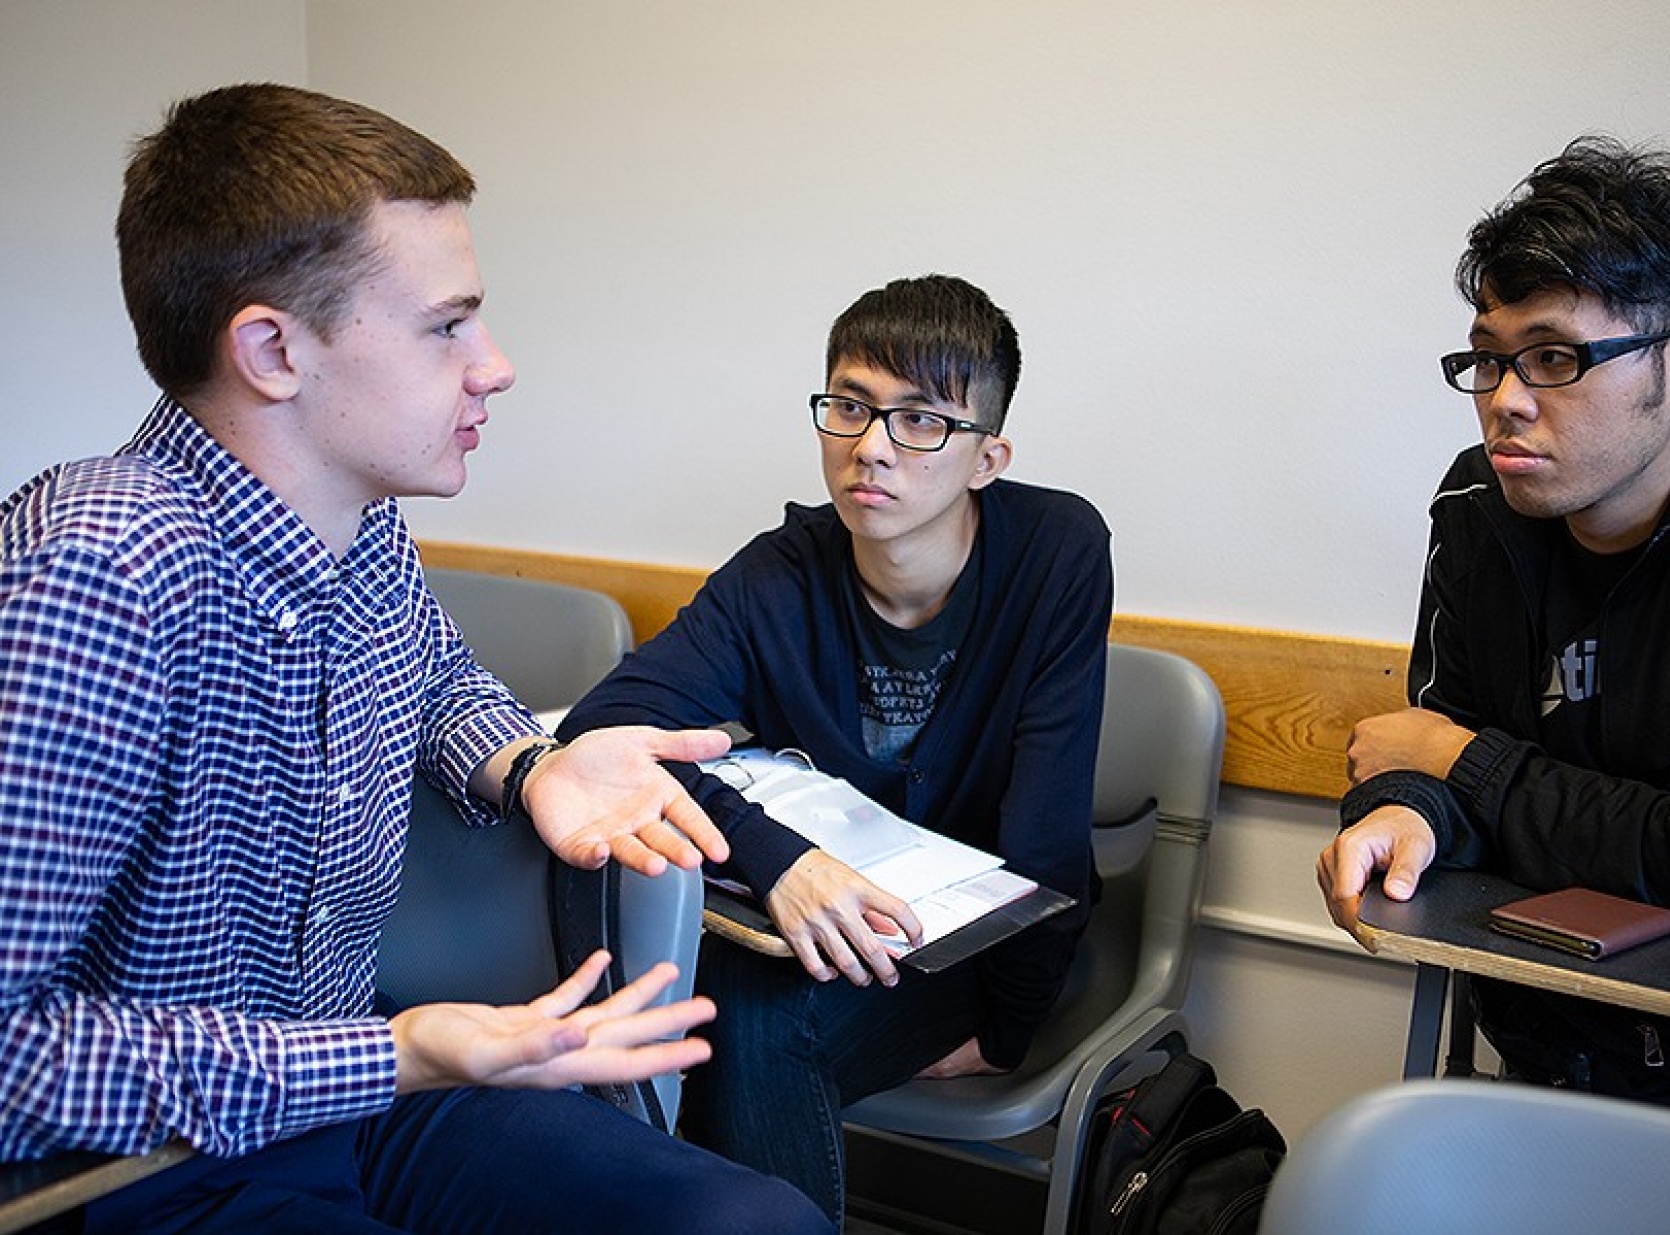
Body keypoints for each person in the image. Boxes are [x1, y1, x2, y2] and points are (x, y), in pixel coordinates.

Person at [0, 82, 831, 1233]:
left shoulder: (355, 517)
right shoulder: (101, 571)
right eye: (447, 325)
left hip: (348, 1090)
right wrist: (392, 1052)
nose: (492, 365)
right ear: (274, 350)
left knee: (753, 1222)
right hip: (139, 1164)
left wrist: (535, 766)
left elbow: (432, 677)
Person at [1318, 135, 1670, 1142]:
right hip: (1543, 1041)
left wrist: (1461, 768)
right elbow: (1424, 739)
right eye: (1488, 357)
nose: (1505, 398)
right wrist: (1408, 806)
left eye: (1555, 357)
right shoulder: (1481, 502)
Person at [557, 273, 1114, 1220]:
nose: (871, 449)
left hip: (968, 947)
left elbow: (1047, 827)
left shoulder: (1055, 549)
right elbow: (599, 733)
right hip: (810, 930)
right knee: (713, 993)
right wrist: (780, 859)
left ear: (987, 456)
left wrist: (1010, 1026)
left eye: (921, 420)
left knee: (755, 1024)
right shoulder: (781, 571)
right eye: (849, 407)